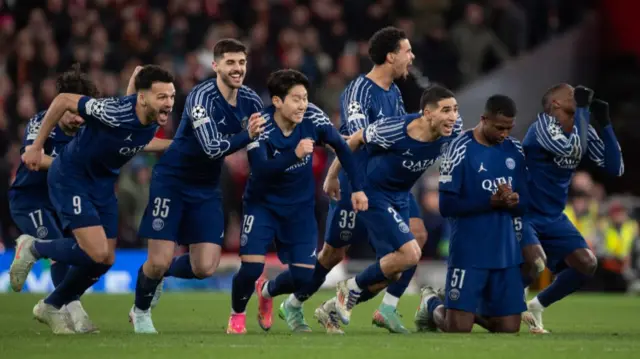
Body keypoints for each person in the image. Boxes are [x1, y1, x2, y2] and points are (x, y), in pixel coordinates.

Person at [10, 64, 176, 334]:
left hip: (98, 185)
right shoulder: (96, 112)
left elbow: (130, 129)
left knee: (106, 258)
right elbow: (65, 105)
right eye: (163, 97)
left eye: (171, 97)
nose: (169, 103)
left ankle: (52, 304)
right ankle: (35, 249)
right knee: (89, 251)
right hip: (53, 187)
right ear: (145, 98)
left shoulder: (146, 117)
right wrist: (38, 146)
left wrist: (176, 145)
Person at [130, 39, 265, 334]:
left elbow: (260, 143)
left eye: (241, 62)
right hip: (172, 181)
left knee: (205, 268)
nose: (237, 68)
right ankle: (140, 311)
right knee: (158, 260)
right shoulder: (200, 97)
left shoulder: (252, 101)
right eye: (230, 62)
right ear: (215, 65)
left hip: (206, 187)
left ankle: (159, 277)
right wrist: (246, 135)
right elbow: (212, 147)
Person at [226, 69, 367, 334]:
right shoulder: (261, 124)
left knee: (304, 277)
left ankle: (267, 292)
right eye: (296, 99)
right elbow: (261, 170)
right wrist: (295, 154)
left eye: (305, 97)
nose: (303, 104)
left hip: (299, 209)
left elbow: (342, 147)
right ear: (277, 101)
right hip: (262, 205)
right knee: (251, 267)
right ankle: (237, 314)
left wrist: (357, 188)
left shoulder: (313, 117)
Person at [313, 26, 428, 334]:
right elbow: (357, 140)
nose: (411, 57)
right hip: (366, 182)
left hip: (394, 183)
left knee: (414, 240)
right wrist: (336, 174)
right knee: (337, 253)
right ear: (391, 56)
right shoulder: (358, 92)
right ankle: (299, 300)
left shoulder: (394, 92)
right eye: (407, 51)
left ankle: (386, 308)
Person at [324, 85, 462, 331]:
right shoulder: (395, 128)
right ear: (427, 113)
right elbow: (354, 141)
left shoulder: (453, 129)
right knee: (409, 255)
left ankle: (381, 308)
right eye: (446, 110)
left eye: (455, 110)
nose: (453, 116)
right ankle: (350, 288)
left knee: (399, 265)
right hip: (373, 192)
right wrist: (332, 177)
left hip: (400, 194)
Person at [415, 94, 528, 333]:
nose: (504, 134)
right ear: (483, 119)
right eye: (499, 128)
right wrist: (491, 201)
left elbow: (526, 199)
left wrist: (515, 200)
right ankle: (431, 304)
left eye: (509, 128)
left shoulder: (514, 149)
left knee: (509, 329)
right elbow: (446, 205)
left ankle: (467, 310)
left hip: (505, 250)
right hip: (469, 250)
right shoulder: (457, 148)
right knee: (457, 329)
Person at [520, 84, 624, 333]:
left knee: (586, 263)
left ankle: (537, 304)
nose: (577, 98)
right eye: (571, 95)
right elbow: (572, 149)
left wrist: (605, 124)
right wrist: (585, 111)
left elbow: (615, 168)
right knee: (535, 262)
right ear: (555, 104)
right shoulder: (542, 126)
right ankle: (505, 303)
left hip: (554, 216)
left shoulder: (581, 128)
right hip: (525, 214)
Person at [9, 65, 100, 333]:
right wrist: (70, 166)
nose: (77, 119)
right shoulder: (41, 122)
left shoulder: (87, 130)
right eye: (70, 111)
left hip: (62, 200)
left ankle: (64, 309)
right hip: (30, 200)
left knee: (77, 251)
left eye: (80, 113)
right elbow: (31, 158)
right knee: (57, 250)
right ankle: (72, 313)